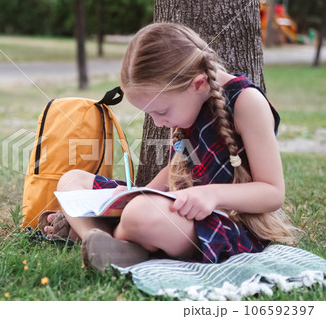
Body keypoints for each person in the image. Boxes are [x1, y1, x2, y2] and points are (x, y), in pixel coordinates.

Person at [40, 22, 299, 271]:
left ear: (198, 84)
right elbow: (177, 167)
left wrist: (212, 195)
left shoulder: (246, 102)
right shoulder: (188, 102)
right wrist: (140, 193)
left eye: (160, 111)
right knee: (72, 180)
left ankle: (105, 236)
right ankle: (94, 238)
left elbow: (272, 193)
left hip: (224, 224)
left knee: (140, 214)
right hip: (174, 211)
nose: (158, 123)